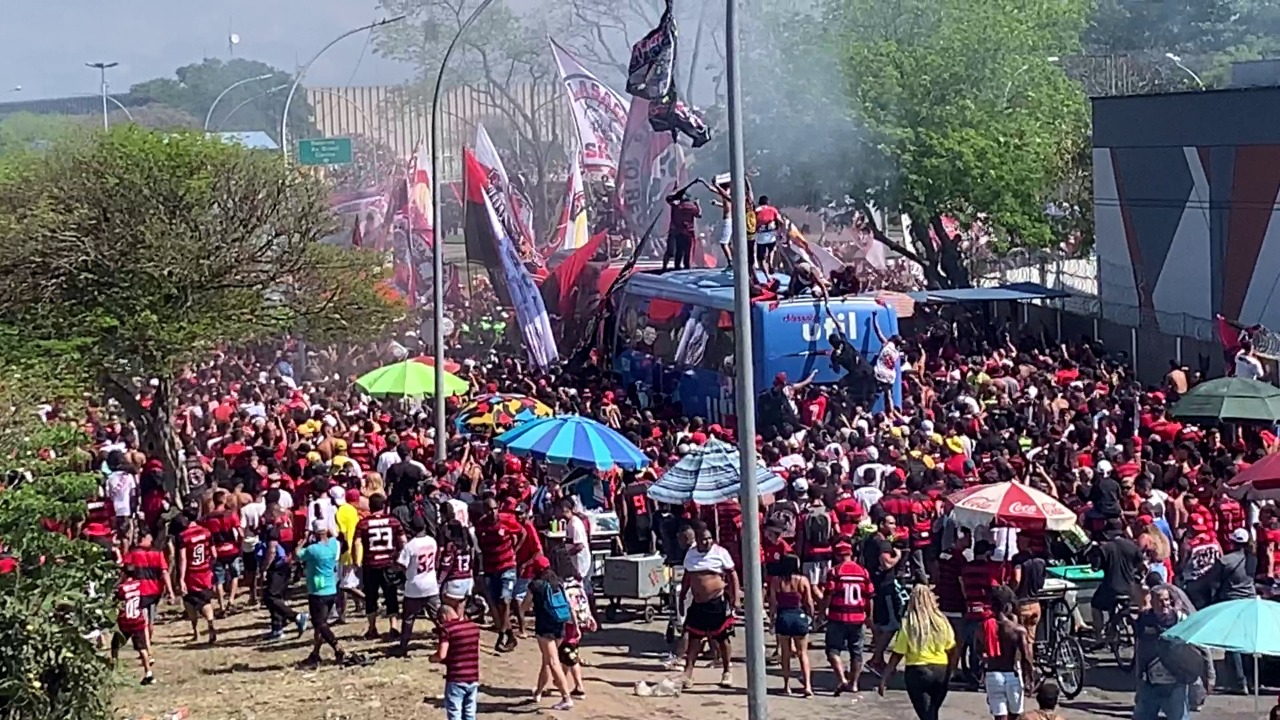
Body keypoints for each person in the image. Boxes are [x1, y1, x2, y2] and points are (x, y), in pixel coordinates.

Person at [877, 584, 957, 720]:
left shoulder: (909, 624)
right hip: (941, 670)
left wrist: (884, 678)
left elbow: (897, 654)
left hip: (917, 671)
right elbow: (951, 648)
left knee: (926, 715)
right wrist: (951, 671)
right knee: (932, 713)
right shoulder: (942, 622)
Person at [1133, 584, 1212, 720]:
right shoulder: (1144, 620)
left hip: (1176, 681)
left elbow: (1201, 646)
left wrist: (1209, 675)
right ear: (1152, 602)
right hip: (1150, 681)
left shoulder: (1182, 620)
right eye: (1160, 601)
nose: (1164, 604)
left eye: (1167, 600)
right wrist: (1139, 677)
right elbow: (1140, 649)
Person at [680, 520, 739, 689]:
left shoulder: (720, 553)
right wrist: (682, 596)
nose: (706, 542)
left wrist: (736, 598)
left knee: (723, 638)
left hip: (717, 603)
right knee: (694, 639)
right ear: (696, 540)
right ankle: (688, 673)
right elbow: (687, 577)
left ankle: (727, 671)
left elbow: (732, 574)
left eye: (709, 538)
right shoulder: (690, 554)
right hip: (698, 604)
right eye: (703, 539)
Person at [822, 540, 873, 696]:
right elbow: (870, 596)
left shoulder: (835, 572)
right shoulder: (863, 572)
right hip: (858, 617)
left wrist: (822, 611)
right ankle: (855, 684)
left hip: (837, 616)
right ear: (851, 554)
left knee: (832, 649)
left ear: (837, 555)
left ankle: (842, 679)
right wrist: (869, 616)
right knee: (856, 651)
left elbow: (828, 594)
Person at [475, 496, 524, 652]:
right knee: (497, 604)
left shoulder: (506, 521)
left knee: (505, 600)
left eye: (495, 509)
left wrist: (514, 551)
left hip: (507, 566)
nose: (492, 513)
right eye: (489, 509)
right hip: (491, 568)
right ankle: (510, 635)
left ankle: (501, 635)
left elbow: (522, 533)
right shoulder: (481, 526)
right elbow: (480, 544)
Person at [354, 492, 406, 640]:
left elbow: (357, 542)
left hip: (371, 564)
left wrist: (357, 560)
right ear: (384, 506)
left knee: (371, 596)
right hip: (389, 562)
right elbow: (403, 540)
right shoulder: (393, 521)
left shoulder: (363, 523)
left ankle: (372, 628)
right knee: (391, 595)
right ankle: (394, 626)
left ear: (370, 506)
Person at [528, 555, 575, 710]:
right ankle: (538, 691)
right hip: (559, 624)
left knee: (553, 662)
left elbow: (524, 606)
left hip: (544, 628)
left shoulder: (536, 585)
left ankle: (566, 697)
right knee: (546, 661)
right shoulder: (558, 582)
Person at [981, 585, 1035, 720]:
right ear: (1007, 606)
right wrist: (1030, 679)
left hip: (992, 675)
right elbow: (1026, 658)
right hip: (1012, 676)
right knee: (1015, 716)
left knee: (999, 717)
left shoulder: (982, 627)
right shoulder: (1017, 630)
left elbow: (978, 652)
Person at [297, 520, 346, 668]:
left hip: (317, 591)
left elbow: (297, 555)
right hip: (331, 588)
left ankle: (337, 647)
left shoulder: (312, 550)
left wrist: (302, 541)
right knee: (320, 625)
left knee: (320, 623)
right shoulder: (333, 545)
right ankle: (315, 654)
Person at [768, 553, 818, 696]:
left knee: (785, 653)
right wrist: (812, 616)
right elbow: (808, 601)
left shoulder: (776, 581)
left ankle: (786, 685)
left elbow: (773, 603)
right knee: (803, 654)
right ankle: (807, 685)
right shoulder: (802, 580)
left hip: (783, 616)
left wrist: (772, 618)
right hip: (799, 615)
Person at [1089, 517, 1144, 643]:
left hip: (1111, 587)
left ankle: (1099, 637)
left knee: (1095, 605)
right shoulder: (1132, 546)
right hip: (1130, 588)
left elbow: (1095, 568)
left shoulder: (1105, 548)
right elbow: (1141, 565)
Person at [397, 513, 442, 656]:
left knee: (408, 619)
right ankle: (446, 640)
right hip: (431, 584)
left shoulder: (410, 546)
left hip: (414, 586)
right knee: (437, 617)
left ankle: (403, 647)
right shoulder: (432, 541)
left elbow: (402, 565)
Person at [433, 603, 482, 720]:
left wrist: (432, 658)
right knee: (470, 712)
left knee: (455, 712)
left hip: (456, 678)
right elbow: (477, 650)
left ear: (444, 616)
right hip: (473, 676)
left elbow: (441, 655)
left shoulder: (447, 629)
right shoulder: (473, 627)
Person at [175, 513, 218, 644]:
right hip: (205, 572)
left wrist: (181, 578)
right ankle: (211, 624)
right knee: (206, 601)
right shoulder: (206, 532)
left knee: (189, 602)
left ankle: (196, 631)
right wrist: (209, 567)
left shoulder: (183, 536)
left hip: (191, 573)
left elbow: (183, 558)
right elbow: (214, 554)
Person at [112, 564, 155, 685]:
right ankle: (149, 673)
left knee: (115, 645)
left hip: (125, 620)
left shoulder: (122, 587)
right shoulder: (139, 585)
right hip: (137, 619)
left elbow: (117, 599)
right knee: (142, 648)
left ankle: (114, 671)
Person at [663, 186, 700, 272]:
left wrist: (676, 194)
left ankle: (677, 267)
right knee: (687, 252)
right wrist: (697, 204)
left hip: (679, 232)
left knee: (679, 251)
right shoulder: (692, 207)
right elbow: (699, 214)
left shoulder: (677, 207)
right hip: (689, 233)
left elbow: (668, 199)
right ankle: (686, 267)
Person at [753, 195, 780, 274]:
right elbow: (779, 219)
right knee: (771, 249)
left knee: (761, 257)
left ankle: (765, 270)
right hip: (771, 234)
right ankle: (770, 262)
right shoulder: (773, 209)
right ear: (768, 202)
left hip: (761, 236)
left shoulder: (756, 210)